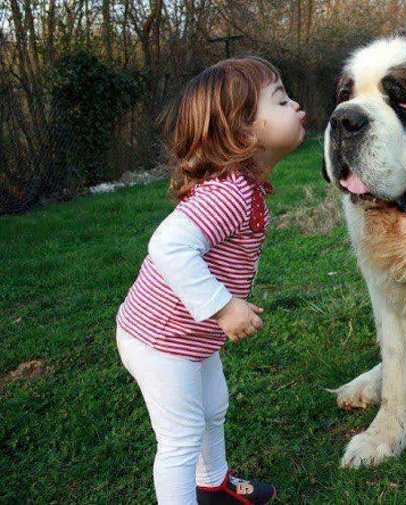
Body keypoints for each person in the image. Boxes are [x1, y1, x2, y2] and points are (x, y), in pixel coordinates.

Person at [115, 55, 306, 505]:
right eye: (281, 100)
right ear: (243, 132)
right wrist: (223, 306)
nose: (296, 106)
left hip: (191, 338)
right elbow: (168, 245)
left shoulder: (245, 187)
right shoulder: (229, 193)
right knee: (180, 438)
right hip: (160, 340)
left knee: (213, 406)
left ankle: (214, 485)